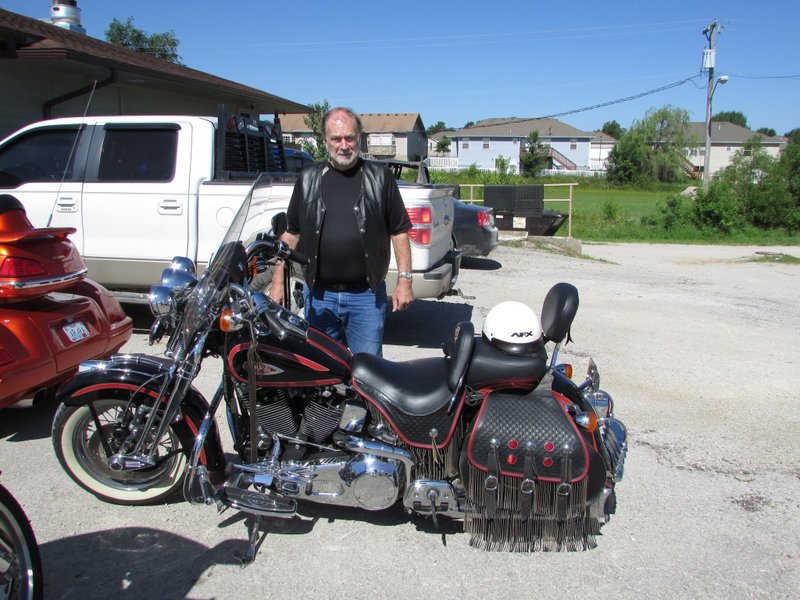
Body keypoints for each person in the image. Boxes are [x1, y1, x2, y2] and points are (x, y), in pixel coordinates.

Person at [268, 107, 414, 356]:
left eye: (350, 137)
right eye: (336, 138)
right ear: (325, 141)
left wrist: (405, 281)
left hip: (366, 297)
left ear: (359, 138)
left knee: (369, 376)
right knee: (321, 371)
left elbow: (399, 231)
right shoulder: (308, 179)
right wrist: (277, 281)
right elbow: (291, 234)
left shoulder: (380, 177)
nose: (344, 145)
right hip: (319, 295)